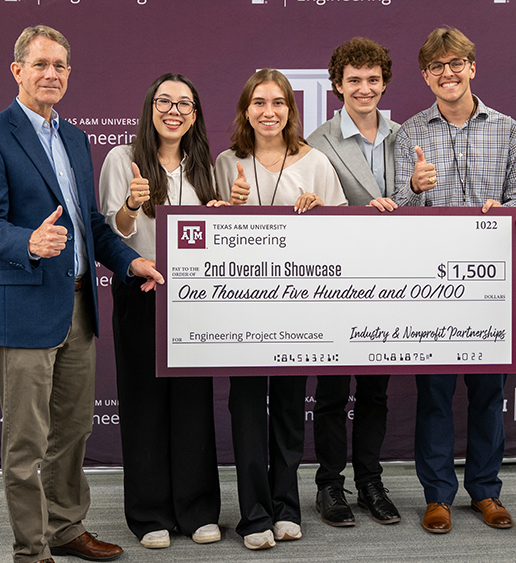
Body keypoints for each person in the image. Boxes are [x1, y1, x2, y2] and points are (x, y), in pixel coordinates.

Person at [0, 25, 162, 563]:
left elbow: (90, 225)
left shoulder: (75, 138)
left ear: (69, 75)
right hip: (22, 307)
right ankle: (32, 550)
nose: (51, 74)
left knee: (73, 432)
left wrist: (128, 259)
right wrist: (27, 240)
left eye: (61, 67)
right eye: (41, 65)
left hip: (78, 307)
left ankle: (67, 529)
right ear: (17, 71)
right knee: (25, 442)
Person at [392, 26, 516, 535]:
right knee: (434, 394)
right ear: (425, 76)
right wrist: (413, 187)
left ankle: (487, 492)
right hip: (432, 289)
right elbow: (396, 213)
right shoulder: (409, 134)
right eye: (436, 67)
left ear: (472, 67)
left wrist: (508, 210)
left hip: (492, 287)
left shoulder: (510, 130)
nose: (447, 74)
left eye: (456, 64)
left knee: (489, 392)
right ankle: (438, 497)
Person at [215, 68, 347, 550]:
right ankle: (253, 514)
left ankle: (286, 506)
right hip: (243, 311)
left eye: (278, 103)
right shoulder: (228, 161)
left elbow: (341, 238)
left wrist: (322, 211)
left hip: (299, 311)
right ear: (245, 110)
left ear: (291, 111)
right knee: (247, 408)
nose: (268, 112)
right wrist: (225, 206)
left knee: (290, 409)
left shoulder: (315, 163)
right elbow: (209, 237)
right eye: (259, 103)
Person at [97, 73, 222, 550]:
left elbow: (213, 231)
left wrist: (220, 213)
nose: (174, 111)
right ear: (151, 108)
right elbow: (113, 232)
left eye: (184, 104)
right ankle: (149, 514)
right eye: (165, 101)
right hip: (142, 291)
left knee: (193, 405)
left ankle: (198, 510)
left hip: (194, 299)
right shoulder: (122, 159)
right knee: (144, 404)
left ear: (194, 115)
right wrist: (132, 204)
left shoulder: (204, 163)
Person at [305, 37, 401, 528]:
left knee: (376, 392)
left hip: (391, 283)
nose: (364, 88)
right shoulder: (317, 141)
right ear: (337, 84)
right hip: (336, 284)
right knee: (332, 391)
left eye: (372, 79)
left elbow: (418, 209)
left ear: (384, 82)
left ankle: (370, 481)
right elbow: (314, 208)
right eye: (354, 80)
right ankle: (329, 485)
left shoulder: (405, 135)